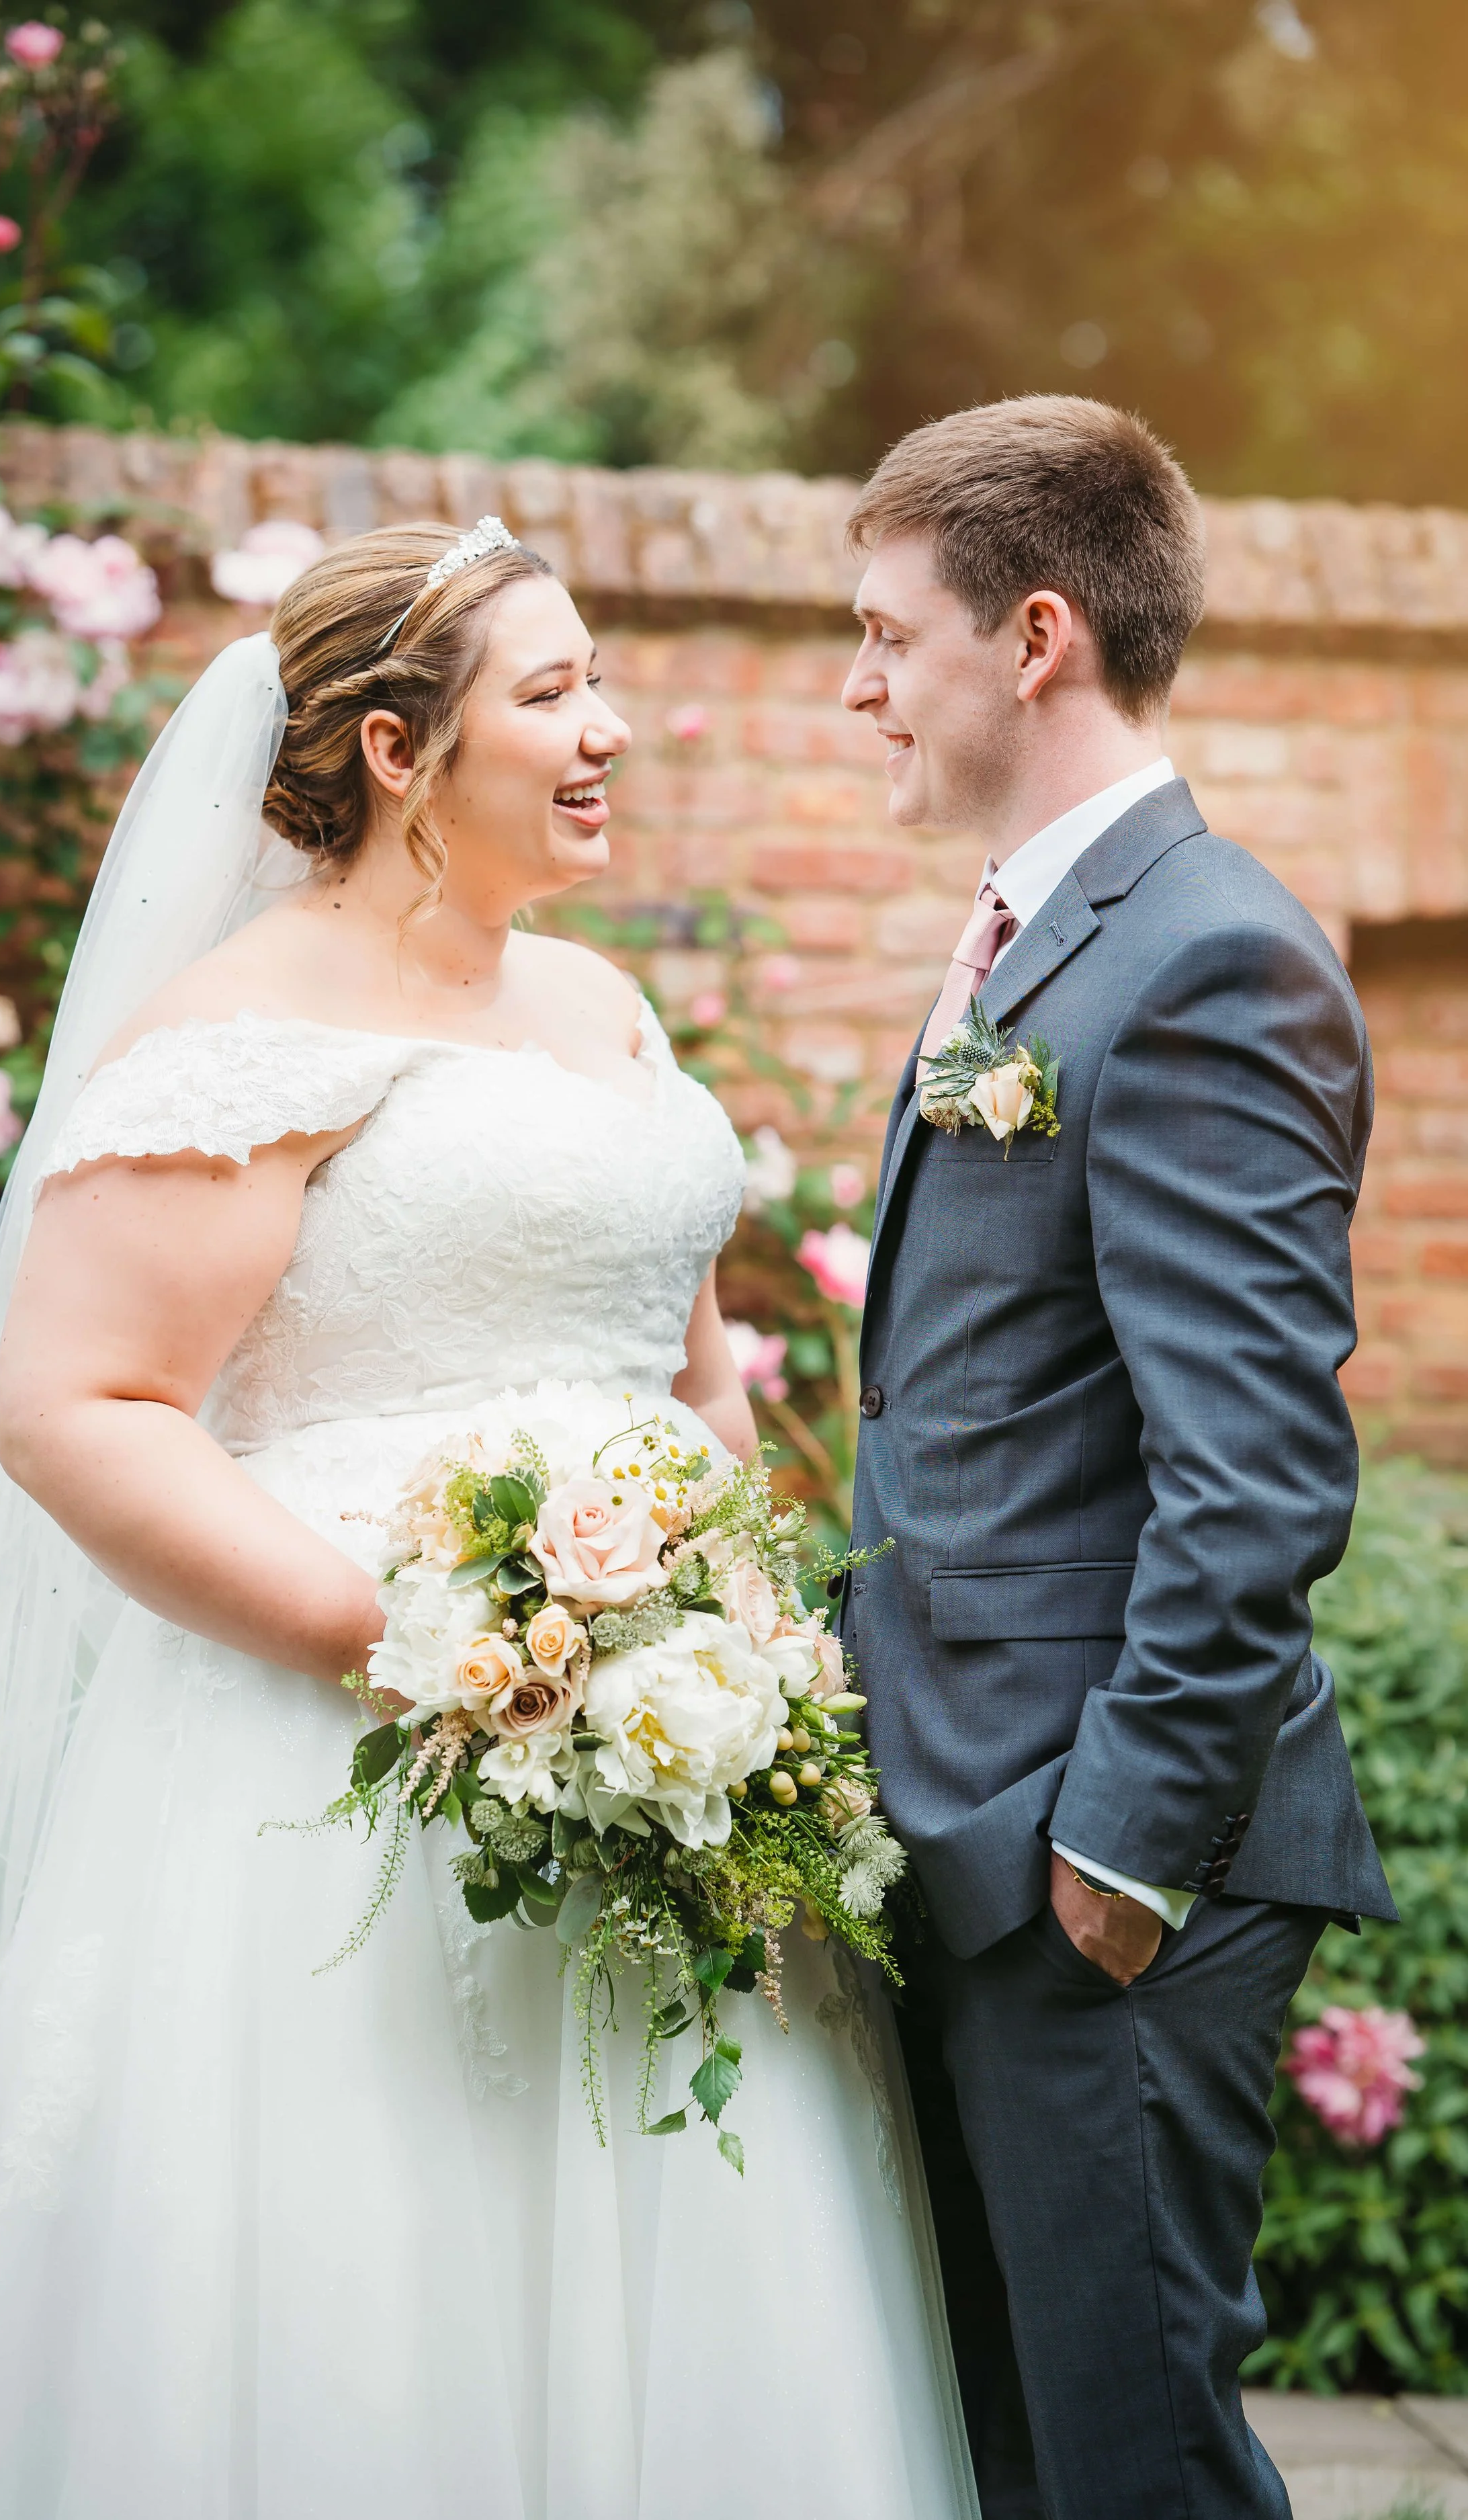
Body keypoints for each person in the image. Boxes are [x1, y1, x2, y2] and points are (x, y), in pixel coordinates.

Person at [0, 520, 978, 2519]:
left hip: (674, 1759)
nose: (605, 730)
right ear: (394, 747)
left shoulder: (603, 1006)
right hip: (330, 1771)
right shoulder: (249, 1038)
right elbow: (82, 1411)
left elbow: (690, 1367)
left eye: (599, 679)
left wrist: (728, 1647)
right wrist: (439, 1655)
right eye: (549, 694)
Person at [840, 394, 1396, 2520]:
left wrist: (1120, 1858)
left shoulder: (1206, 955)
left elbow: (1249, 1472)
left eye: (888, 634)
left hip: (1107, 1866)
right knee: (1016, 2457)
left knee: (1131, 2463)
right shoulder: (1035, 932)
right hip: (985, 1835)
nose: (857, 682)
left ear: (1034, 635)